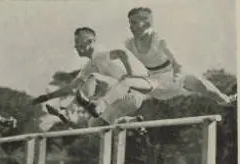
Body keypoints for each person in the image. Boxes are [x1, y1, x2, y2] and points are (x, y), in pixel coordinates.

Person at [108, 7, 236, 109]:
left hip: (173, 76)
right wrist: (113, 57)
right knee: (125, 82)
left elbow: (177, 64)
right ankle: (106, 107)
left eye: (135, 22)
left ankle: (225, 100)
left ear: (147, 23)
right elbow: (121, 57)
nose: (131, 26)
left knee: (201, 84)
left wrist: (176, 77)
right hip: (154, 80)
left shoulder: (160, 40)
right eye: (130, 23)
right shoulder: (129, 43)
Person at [32, 27, 145, 126]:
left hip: (130, 94)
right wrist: (47, 97)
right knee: (93, 124)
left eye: (78, 42)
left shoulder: (100, 56)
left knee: (93, 77)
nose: (75, 46)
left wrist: (130, 75)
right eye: (75, 43)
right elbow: (72, 87)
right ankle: (131, 122)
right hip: (120, 101)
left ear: (90, 42)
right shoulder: (89, 66)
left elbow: (122, 53)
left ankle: (74, 109)